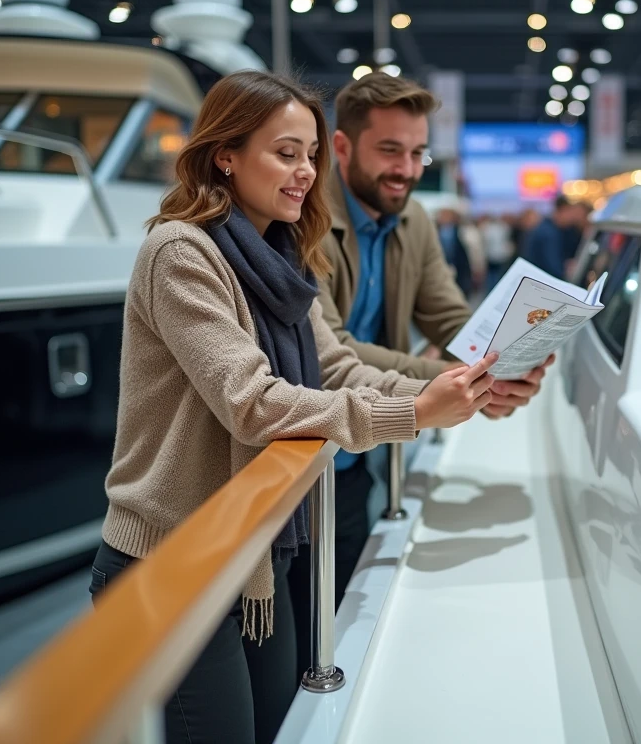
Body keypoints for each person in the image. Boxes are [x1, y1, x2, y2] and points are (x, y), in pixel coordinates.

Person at [87, 70, 499, 744]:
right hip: (174, 561)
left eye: (309, 154)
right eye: (286, 153)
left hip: (250, 549)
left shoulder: (282, 254)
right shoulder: (180, 253)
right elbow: (251, 403)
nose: (305, 172)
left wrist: (439, 391)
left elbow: (335, 364)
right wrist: (415, 414)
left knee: (286, 726)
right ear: (226, 153)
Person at [288, 73, 554, 660]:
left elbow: (452, 320)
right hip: (291, 449)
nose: (406, 170)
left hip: (355, 453)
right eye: (389, 150)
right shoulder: (299, 222)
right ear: (341, 148)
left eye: (416, 153)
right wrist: (452, 385)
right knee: (288, 632)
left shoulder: (415, 221)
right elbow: (331, 352)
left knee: (338, 611)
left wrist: (500, 364)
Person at [521, 194, 588, 278]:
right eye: (572, 213)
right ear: (564, 210)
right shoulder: (549, 234)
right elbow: (554, 270)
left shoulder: (547, 227)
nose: (574, 218)